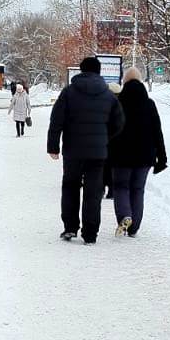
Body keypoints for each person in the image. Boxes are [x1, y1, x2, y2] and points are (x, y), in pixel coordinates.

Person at [47, 56, 125, 244]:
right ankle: (90, 233)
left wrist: (53, 146)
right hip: (97, 153)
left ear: (81, 70)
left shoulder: (68, 92)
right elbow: (119, 122)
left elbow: (56, 120)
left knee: (70, 187)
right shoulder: (108, 95)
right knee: (93, 191)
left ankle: (70, 227)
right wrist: (104, 137)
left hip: (72, 150)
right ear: (99, 71)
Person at [107, 67, 167, 238]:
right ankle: (134, 228)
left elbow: (109, 130)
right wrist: (162, 157)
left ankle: (125, 216)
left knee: (121, 187)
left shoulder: (117, 103)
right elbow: (157, 131)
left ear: (124, 82)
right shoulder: (149, 104)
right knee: (138, 189)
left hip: (120, 156)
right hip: (145, 156)